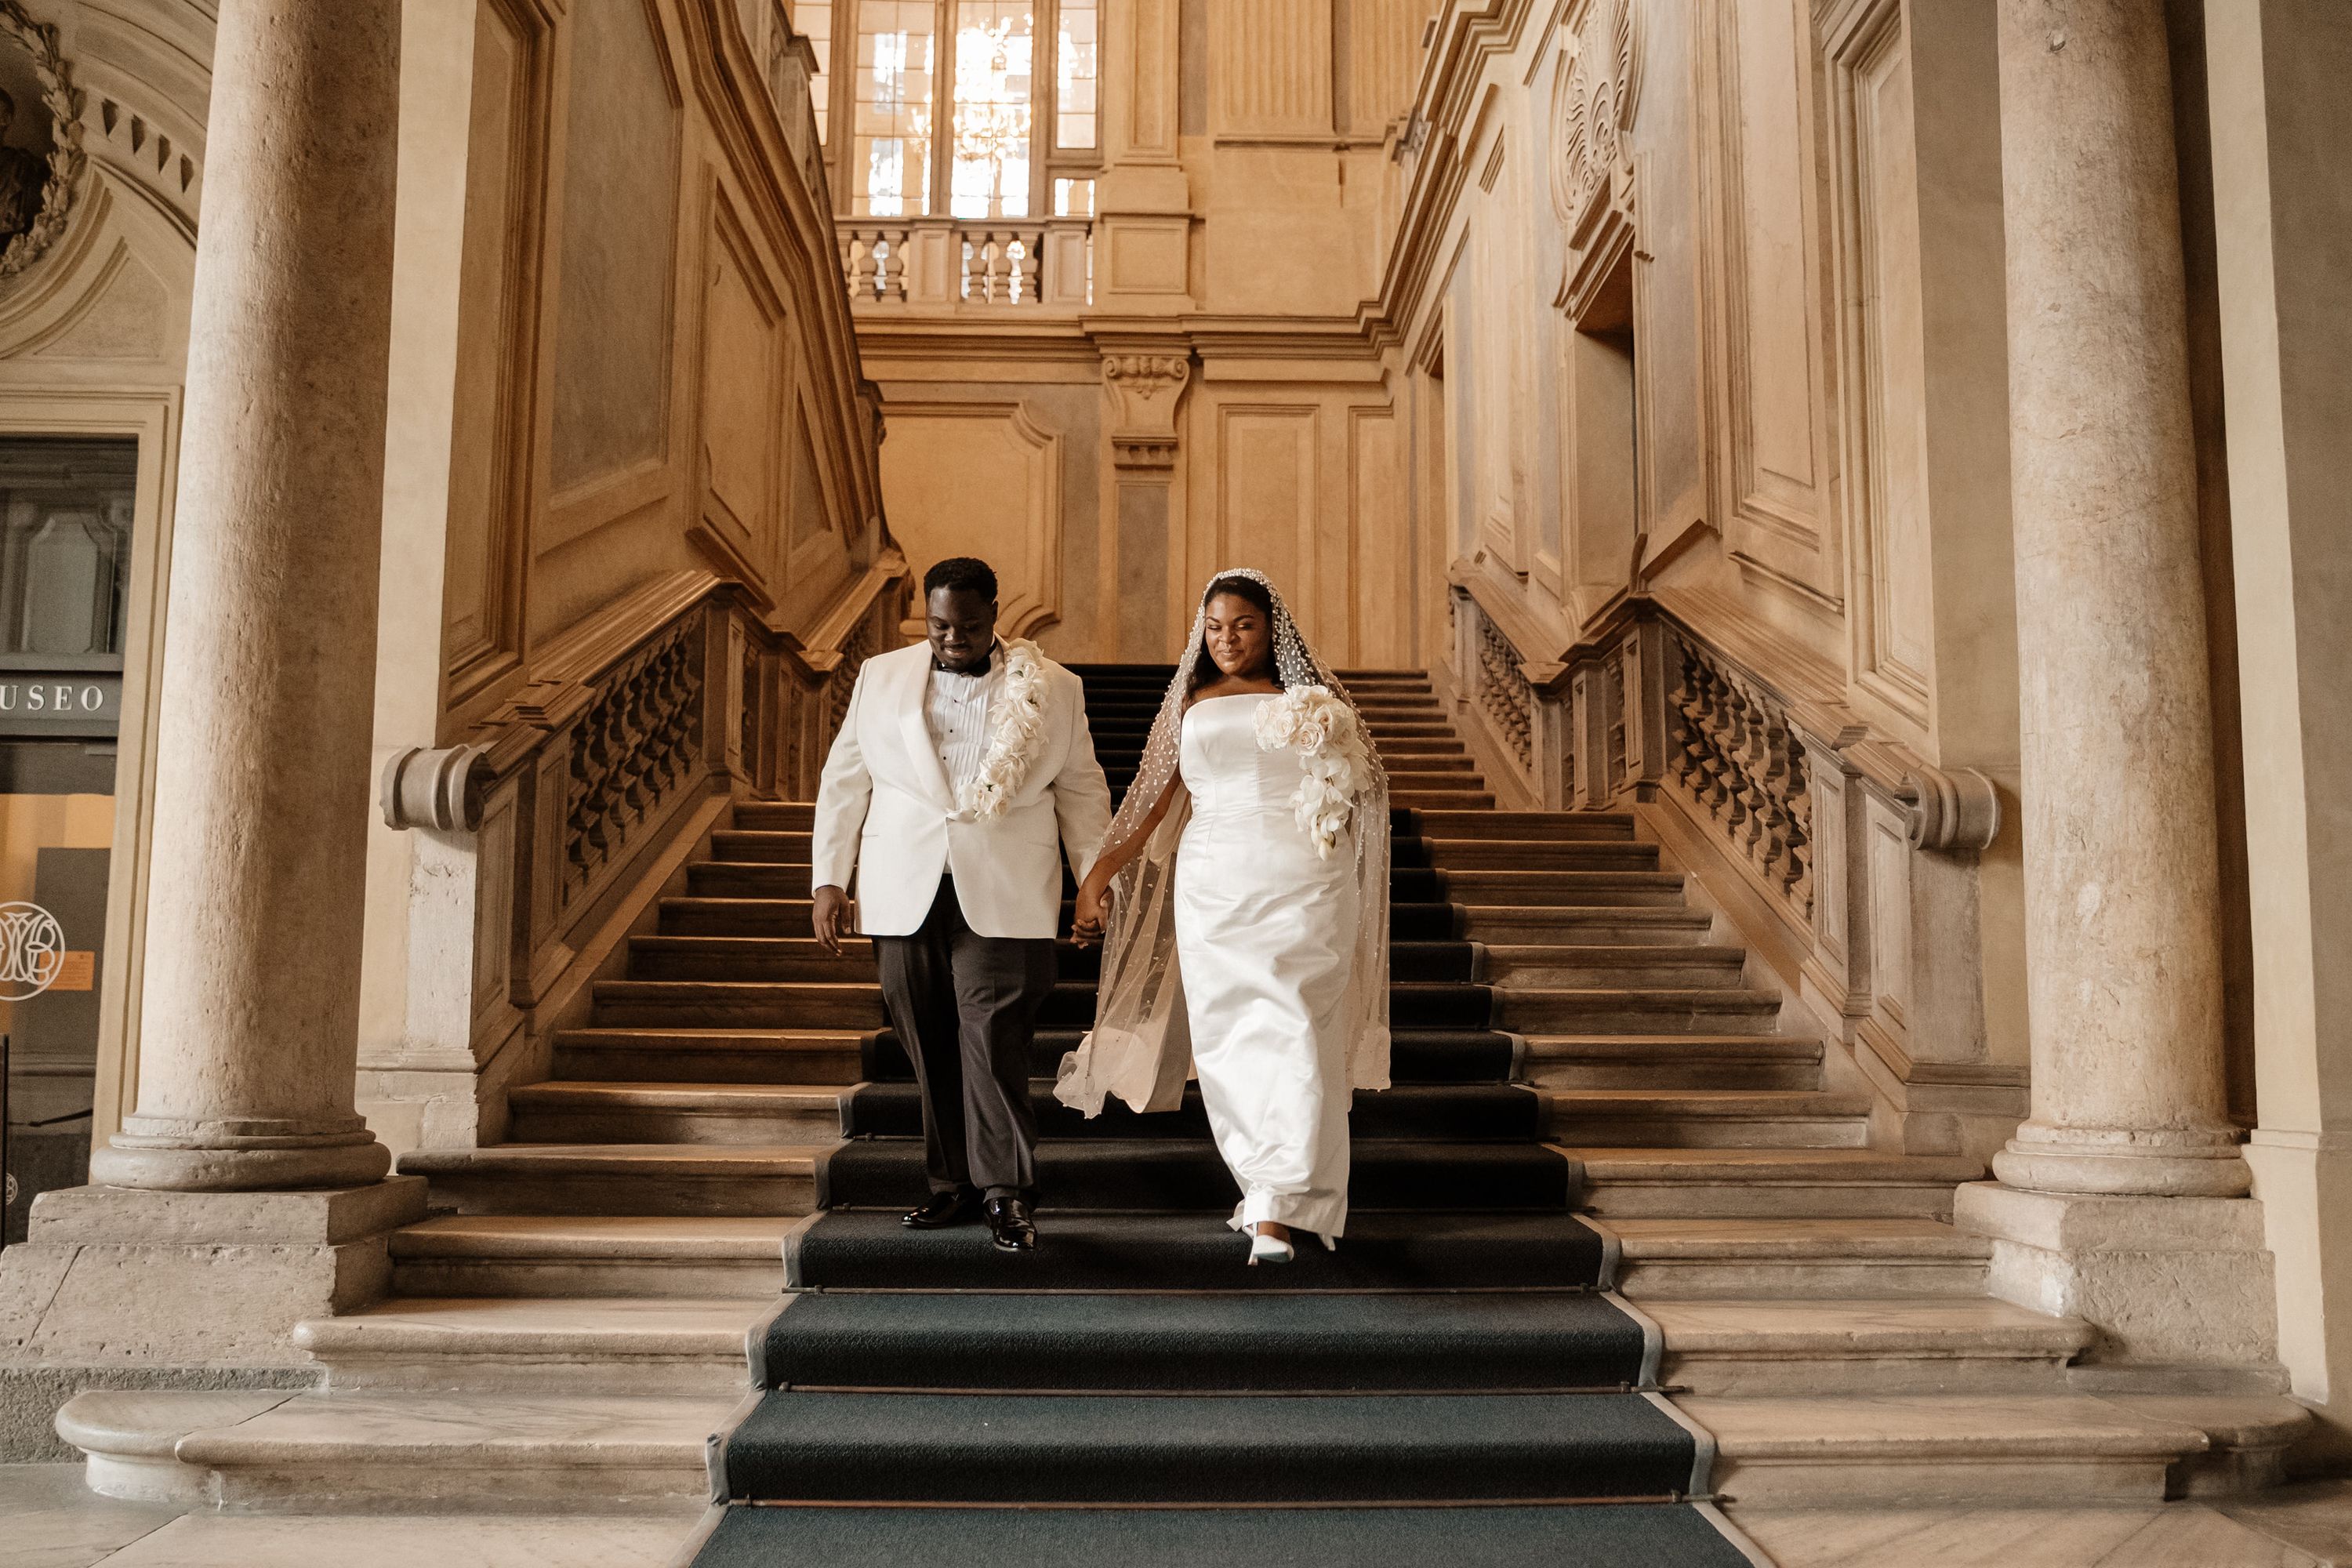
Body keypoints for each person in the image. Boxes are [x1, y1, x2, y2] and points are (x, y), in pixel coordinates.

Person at [1058, 570, 1390, 1265]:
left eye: (1241, 624)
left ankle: (1277, 1202)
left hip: (1306, 876)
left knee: (1298, 1022)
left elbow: (1358, 790)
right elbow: (1151, 805)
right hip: (1213, 880)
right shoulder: (1191, 699)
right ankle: (1271, 1191)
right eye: (1214, 627)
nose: (1227, 639)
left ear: (1270, 628)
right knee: (1229, 1035)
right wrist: (1096, 877)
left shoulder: (1314, 702)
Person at [811, 557, 1112, 1252]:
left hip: (1006, 889)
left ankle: (1006, 1193)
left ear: (996, 613)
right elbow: (844, 780)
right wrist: (831, 877)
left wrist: (1094, 886)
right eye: (940, 625)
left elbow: (1082, 793)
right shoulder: (879, 676)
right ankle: (952, 1186)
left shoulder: (1057, 689)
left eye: (969, 627)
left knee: (994, 1040)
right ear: (925, 614)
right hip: (900, 886)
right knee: (927, 1039)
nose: (953, 639)